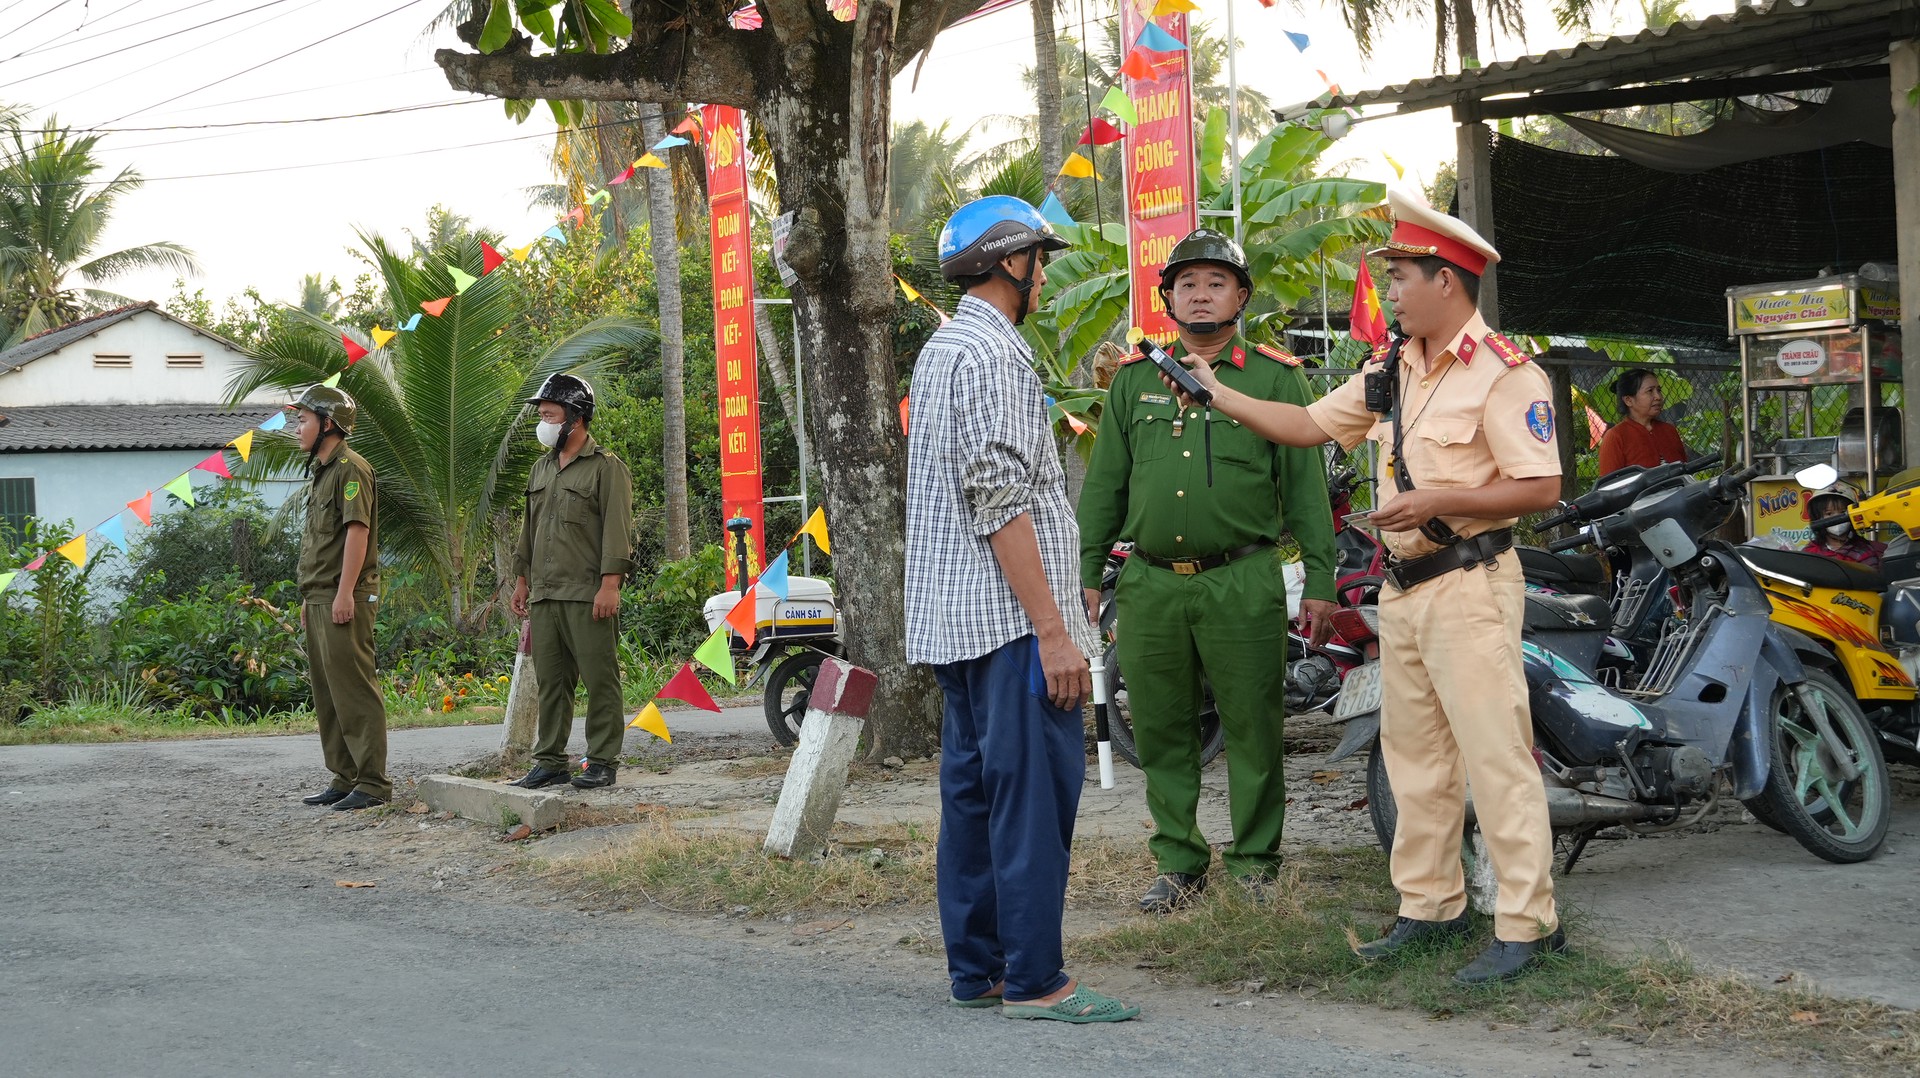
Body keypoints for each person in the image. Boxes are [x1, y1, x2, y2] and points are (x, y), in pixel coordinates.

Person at [1157, 189, 1567, 985]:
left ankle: (1528, 925)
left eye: (1401, 275)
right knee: (1414, 758)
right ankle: (1430, 909)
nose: (1389, 291)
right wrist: (1214, 392)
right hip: (1404, 590)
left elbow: (1542, 485)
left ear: (1445, 280)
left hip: (1470, 583)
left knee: (1496, 759)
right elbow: (1308, 425)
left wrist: (1439, 499)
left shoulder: (1504, 374)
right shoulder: (1392, 369)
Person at [904, 195, 1138, 1023]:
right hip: (1008, 625)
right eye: (1040, 260)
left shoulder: (940, 350)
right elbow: (1001, 501)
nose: (1045, 274)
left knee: (972, 800)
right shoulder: (996, 358)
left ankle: (980, 972)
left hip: (953, 623)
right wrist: (1052, 630)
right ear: (1012, 265)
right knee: (1032, 797)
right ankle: (1037, 980)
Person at [1076, 228, 1338, 913]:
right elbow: (1106, 482)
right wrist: (1088, 565)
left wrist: (1320, 581)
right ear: (1167, 298)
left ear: (1241, 296)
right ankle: (1178, 861)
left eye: (1215, 282)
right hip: (1152, 584)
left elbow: (1306, 490)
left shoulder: (1277, 379)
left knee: (1254, 725)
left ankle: (1255, 862)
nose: (1200, 294)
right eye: (1186, 284)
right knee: (1161, 727)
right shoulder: (1136, 381)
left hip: (1242, 579)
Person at [508, 374, 635, 791]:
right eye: (541, 414)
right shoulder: (540, 468)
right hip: (544, 593)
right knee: (551, 682)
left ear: (575, 418)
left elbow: (617, 530)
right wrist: (521, 579)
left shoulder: (606, 468)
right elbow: (529, 528)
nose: (542, 422)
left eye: (549, 414)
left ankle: (601, 760)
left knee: (600, 678)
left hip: (587, 593)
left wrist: (610, 584)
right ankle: (549, 760)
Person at [291, 384, 390, 812]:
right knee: (328, 692)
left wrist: (345, 591)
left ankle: (372, 782)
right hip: (320, 595)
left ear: (327, 424)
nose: (297, 428)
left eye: (303, 420)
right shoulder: (324, 470)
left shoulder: (352, 469)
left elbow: (357, 533)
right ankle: (344, 776)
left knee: (353, 689)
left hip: (344, 594)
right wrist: (310, 596)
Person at [1596, 368, 1690, 475]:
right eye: (1650, 391)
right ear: (1629, 400)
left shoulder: (1669, 430)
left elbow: (1684, 471)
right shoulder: (1616, 437)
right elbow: (1609, 487)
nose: (1658, 397)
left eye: (1659, 390)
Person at [1802, 480, 1884, 568]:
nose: (1838, 519)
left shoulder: (1863, 553)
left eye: (1843, 513)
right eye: (1829, 513)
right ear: (1818, 517)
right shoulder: (1810, 553)